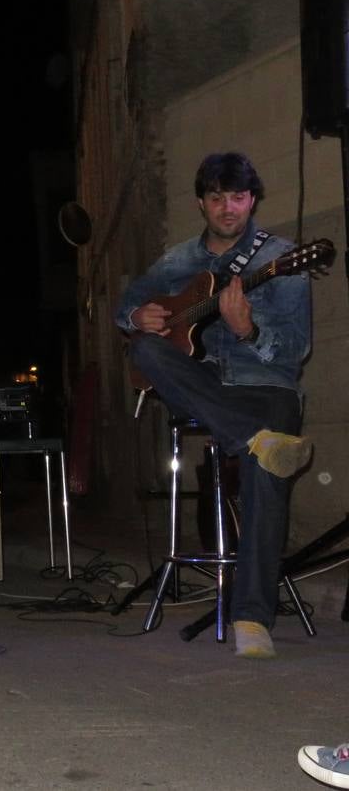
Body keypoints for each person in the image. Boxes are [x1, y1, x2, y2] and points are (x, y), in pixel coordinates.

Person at [117, 151, 313, 658]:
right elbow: (126, 308)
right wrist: (137, 314)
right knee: (143, 348)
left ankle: (251, 618)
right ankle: (251, 438)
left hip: (266, 386)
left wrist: (248, 330)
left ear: (253, 200)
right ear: (202, 203)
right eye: (217, 198)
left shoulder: (284, 259)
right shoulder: (180, 260)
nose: (229, 208)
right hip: (204, 384)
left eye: (239, 197)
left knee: (266, 474)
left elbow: (295, 351)